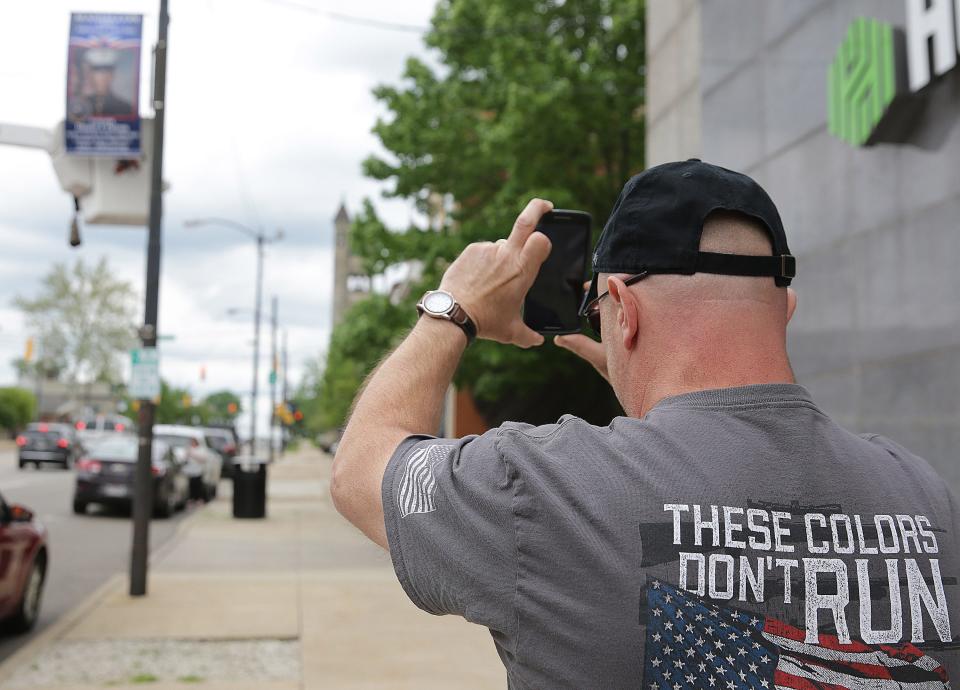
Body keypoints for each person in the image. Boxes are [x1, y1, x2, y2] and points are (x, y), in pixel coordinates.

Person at [331, 160, 959, 688]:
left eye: (599, 309)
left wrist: (451, 310)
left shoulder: (548, 489)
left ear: (623, 313)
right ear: (785, 309)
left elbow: (361, 469)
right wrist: (655, 401)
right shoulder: (929, 498)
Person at [71, 48, 134, 119]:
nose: (102, 78)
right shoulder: (82, 104)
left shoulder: (125, 108)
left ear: (112, 75)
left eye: (106, 73)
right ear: (90, 75)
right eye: (98, 73)